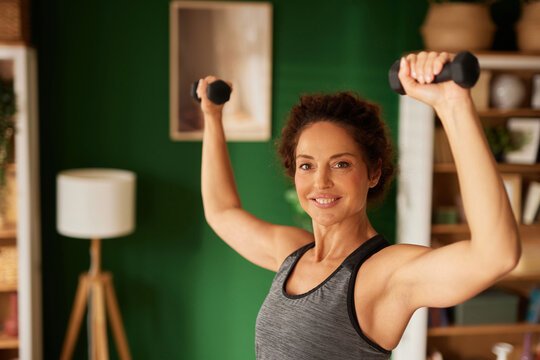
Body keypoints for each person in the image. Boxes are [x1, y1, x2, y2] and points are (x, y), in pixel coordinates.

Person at [198, 51, 520, 360]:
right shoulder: (292, 255)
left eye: (341, 165)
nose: (321, 182)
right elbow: (222, 212)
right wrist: (212, 117)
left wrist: (454, 105)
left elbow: (496, 255)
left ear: (373, 172)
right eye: (307, 165)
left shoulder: (383, 276)